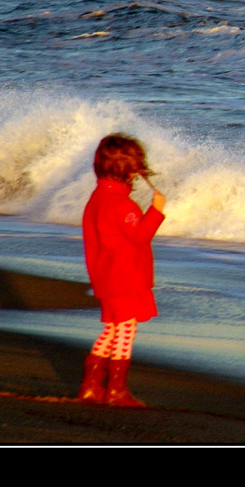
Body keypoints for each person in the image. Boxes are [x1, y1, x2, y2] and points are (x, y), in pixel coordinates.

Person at [77, 133, 166, 407]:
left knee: (113, 328)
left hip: (105, 276)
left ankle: (91, 386)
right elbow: (139, 236)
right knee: (126, 330)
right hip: (124, 278)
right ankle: (116, 390)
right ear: (126, 170)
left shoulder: (97, 199)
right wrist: (156, 211)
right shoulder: (122, 204)